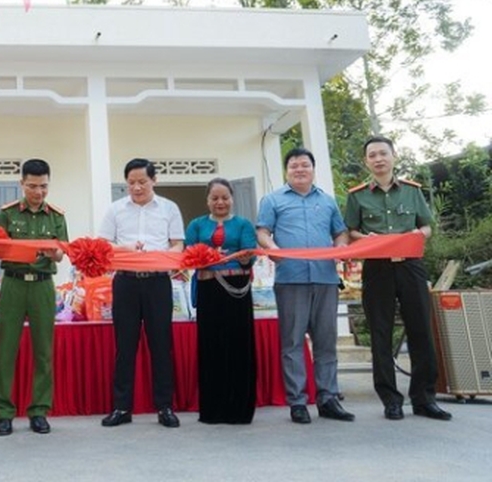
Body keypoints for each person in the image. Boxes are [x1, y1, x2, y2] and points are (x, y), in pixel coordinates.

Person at [344, 135, 451, 421]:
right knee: (381, 333)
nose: (378, 159)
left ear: (393, 156)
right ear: (366, 161)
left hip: (410, 266)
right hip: (377, 269)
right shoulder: (357, 195)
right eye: (372, 155)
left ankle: (424, 398)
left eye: (383, 153)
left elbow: (427, 226)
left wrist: (417, 235)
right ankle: (390, 399)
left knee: (421, 331)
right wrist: (366, 238)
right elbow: (351, 231)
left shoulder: (412, 191)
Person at [257, 147, 354, 424]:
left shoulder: (327, 201)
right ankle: (297, 402)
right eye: (294, 166)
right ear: (287, 171)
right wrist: (272, 247)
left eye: (304, 165)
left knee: (326, 342)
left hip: (325, 277)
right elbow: (262, 231)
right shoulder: (273, 200)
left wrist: (340, 249)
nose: (299, 170)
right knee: (292, 342)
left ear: (313, 169)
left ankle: (328, 399)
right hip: (291, 278)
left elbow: (340, 232)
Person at [98, 158, 185, 429]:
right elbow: (104, 245)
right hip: (125, 282)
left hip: (158, 283)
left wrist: (158, 258)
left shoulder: (169, 209)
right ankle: (122, 407)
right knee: (125, 347)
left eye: (142, 182)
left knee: (161, 345)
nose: (136, 188)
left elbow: (178, 244)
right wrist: (127, 250)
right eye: (131, 183)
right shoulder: (115, 210)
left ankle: (165, 407)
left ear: (154, 181)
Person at [0, 158, 68, 436]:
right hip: (13, 285)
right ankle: (3, 413)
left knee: (44, 352)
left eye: (44, 186)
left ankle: (39, 411)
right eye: (33, 186)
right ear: (22, 184)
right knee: (6, 351)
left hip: (42, 286)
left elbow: (62, 252)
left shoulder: (57, 216)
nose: (38, 192)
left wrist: (53, 253)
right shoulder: (8, 214)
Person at [186, 178, 258, 425]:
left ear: (232, 199)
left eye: (225, 197)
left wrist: (233, 258)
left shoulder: (244, 224)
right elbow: (190, 254)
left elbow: (249, 255)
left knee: (239, 346)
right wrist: (214, 258)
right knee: (211, 346)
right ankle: (213, 410)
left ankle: (239, 409)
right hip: (208, 289)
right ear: (207, 200)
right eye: (215, 198)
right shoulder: (196, 225)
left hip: (237, 290)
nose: (220, 202)